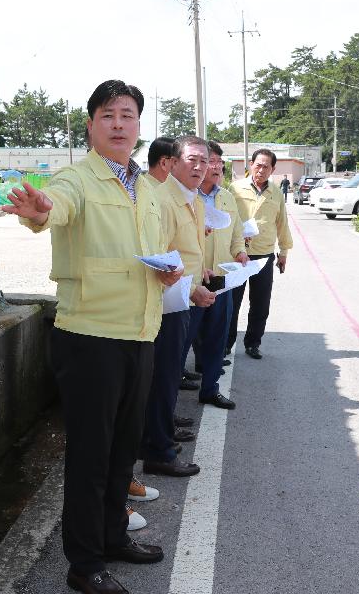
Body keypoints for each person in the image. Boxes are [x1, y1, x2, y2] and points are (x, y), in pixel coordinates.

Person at [2, 80, 178, 594]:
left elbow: (150, 248)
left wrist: (166, 272)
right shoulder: (77, 178)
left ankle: (113, 536)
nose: (119, 124)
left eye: (127, 115)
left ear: (139, 125)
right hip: (91, 337)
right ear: (91, 126)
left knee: (124, 450)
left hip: (141, 332)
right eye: (108, 115)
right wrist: (39, 209)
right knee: (90, 456)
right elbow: (55, 205)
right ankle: (84, 563)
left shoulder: (144, 186)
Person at [140, 135, 213, 479]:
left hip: (185, 298)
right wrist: (192, 288)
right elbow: (160, 258)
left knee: (168, 377)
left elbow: (190, 250)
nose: (200, 167)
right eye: (192, 160)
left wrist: (199, 281)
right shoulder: (161, 200)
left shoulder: (193, 200)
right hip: (167, 303)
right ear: (173, 162)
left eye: (205, 161)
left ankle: (160, 436)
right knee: (163, 379)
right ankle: (159, 452)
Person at [190, 140, 249, 409]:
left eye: (218, 162)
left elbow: (236, 232)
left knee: (217, 338)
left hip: (221, 278)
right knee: (184, 339)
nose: (216, 167)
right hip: (191, 278)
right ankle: (171, 389)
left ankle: (210, 388)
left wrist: (239, 252)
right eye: (210, 161)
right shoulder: (186, 196)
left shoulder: (226, 196)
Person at [229, 148, 293, 359]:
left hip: (264, 255)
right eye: (258, 165)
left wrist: (283, 252)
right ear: (250, 165)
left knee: (260, 304)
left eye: (266, 166)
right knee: (232, 303)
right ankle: (226, 344)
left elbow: (282, 223)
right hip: (237, 255)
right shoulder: (235, 188)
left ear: (273, 169)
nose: (261, 170)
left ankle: (253, 343)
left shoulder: (276, 193)